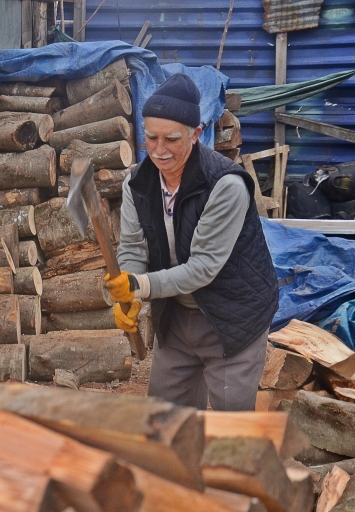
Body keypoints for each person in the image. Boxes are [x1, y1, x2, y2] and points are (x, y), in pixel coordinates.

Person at [104, 73, 278, 411]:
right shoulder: (136, 184)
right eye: (151, 137)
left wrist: (139, 285)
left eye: (171, 139)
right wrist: (130, 292)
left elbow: (203, 268)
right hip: (178, 316)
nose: (158, 150)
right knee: (165, 420)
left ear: (196, 134)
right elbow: (133, 248)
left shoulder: (225, 185)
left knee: (231, 428)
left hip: (233, 317)